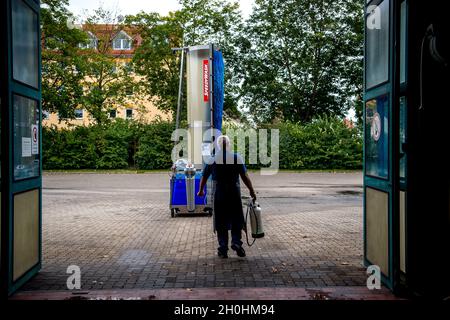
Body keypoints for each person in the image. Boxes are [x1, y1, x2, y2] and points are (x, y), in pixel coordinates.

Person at [197, 135, 257, 258]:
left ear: (218, 146)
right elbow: (245, 176)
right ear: (229, 145)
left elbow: (204, 176)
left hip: (219, 193)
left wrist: (200, 190)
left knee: (220, 220)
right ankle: (236, 242)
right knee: (236, 218)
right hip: (234, 192)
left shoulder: (213, 159)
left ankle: (223, 249)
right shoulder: (236, 157)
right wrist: (252, 191)